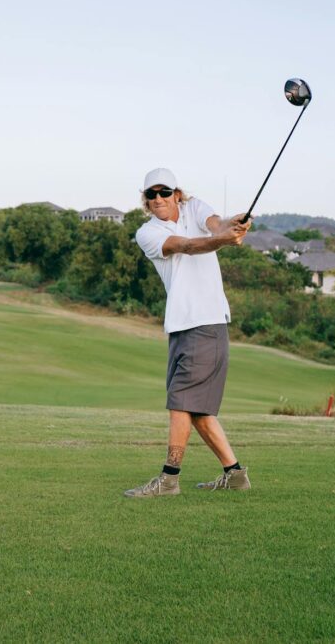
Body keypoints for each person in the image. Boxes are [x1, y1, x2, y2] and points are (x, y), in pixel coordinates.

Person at [124, 167, 251, 498]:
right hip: (183, 325)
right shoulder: (147, 233)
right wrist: (222, 240)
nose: (158, 199)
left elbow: (216, 225)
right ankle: (235, 475)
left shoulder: (195, 208)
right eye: (150, 195)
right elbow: (188, 245)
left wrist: (233, 226)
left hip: (203, 322)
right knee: (196, 410)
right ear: (146, 201)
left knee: (180, 402)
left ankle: (169, 479)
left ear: (177, 193)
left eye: (164, 192)